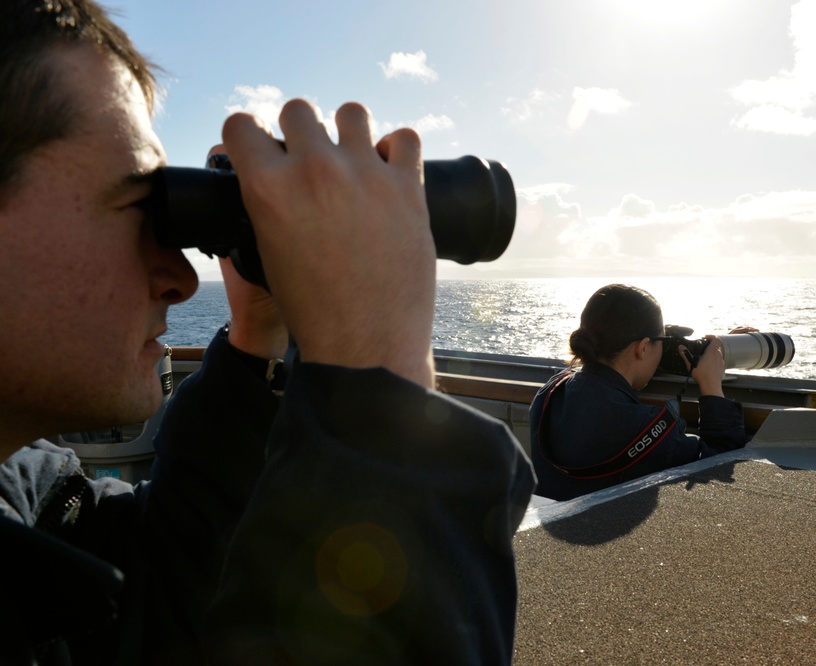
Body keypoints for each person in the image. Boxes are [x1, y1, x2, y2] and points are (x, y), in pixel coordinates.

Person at [0, 1, 534, 663]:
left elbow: (153, 609)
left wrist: (259, 338)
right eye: (138, 208)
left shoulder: (21, 490)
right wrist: (380, 398)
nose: (180, 278)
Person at [529, 284, 747, 501]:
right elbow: (722, 465)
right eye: (661, 342)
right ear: (642, 348)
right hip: (611, 529)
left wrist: (655, 347)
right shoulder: (642, 425)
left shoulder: (549, 394)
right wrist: (711, 386)